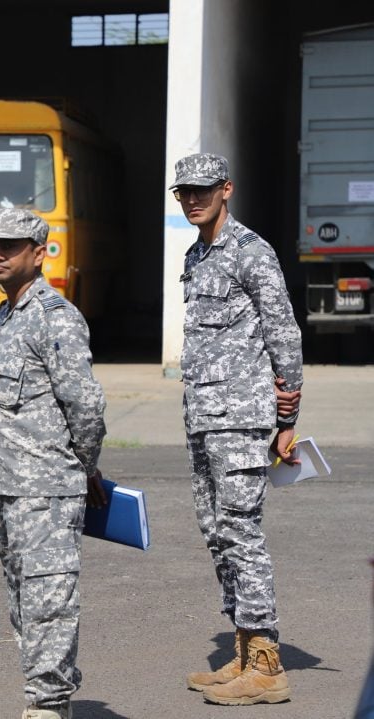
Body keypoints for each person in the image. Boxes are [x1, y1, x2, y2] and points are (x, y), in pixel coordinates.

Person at [170, 153, 303, 705]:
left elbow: (284, 333)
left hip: (245, 419)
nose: (191, 199)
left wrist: (287, 421)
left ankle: (268, 665)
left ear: (227, 189)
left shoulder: (251, 252)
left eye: (202, 189)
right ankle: (246, 647)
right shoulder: (196, 255)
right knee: (218, 532)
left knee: (242, 535)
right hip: (205, 419)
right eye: (183, 192)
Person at [0, 209, 106, 719]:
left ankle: (49, 703)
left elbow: (85, 406)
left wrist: (84, 467)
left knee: (49, 598)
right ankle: (41, 695)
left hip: (47, 487)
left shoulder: (55, 317)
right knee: (23, 599)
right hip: (9, 484)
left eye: (9, 245)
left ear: (38, 252)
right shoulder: (9, 314)